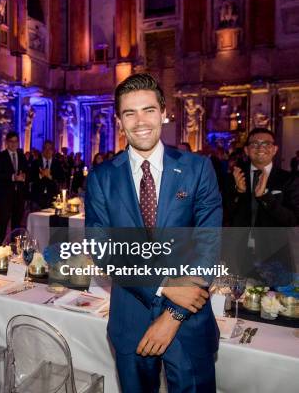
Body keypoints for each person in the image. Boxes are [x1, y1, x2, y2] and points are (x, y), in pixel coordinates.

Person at [85, 73, 220, 392]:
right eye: (129, 113)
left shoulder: (197, 168)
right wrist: (162, 285)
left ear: (163, 112)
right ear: (119, 121)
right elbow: (103, 251)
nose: (140, 121)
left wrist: (173, 315)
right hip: (130, 319)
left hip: (189, 319)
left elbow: (209, 246)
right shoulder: (102, 177)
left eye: (148, 110)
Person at [225, 128, 299, 281]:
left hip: (275, 254)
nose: (260, 148)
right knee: (238, 301)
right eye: (254, 144)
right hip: (238, 253)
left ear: (274, 149)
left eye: (266, 144)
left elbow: (293, 219)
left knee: (273, 301)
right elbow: (224, 214)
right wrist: (238, 192)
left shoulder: (289, 179)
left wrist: (266, 197)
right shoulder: (234, 177)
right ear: (246, 150)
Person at [0, 131, 28, 244]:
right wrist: (13, 177)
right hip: (4, 196)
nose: (13, 144)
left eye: (16, 141)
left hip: (19, 196)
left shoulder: (22, 156)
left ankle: (14, 249)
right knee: (2, 224)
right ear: (7, 143)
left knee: (17, 225)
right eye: (11, 141)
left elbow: (27, 171)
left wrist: (24, 176)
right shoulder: (0, 156)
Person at [31, 140, 64, 209]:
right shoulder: (35, 162)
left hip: (52, 197)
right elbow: (30, 177)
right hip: (37, 198)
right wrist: (40, 175)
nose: (47, 151)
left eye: (50, 149)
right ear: (42, 150)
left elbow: (62, 178)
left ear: (53, 151)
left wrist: (50, 176)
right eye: (45, 148)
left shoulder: (57, 163)